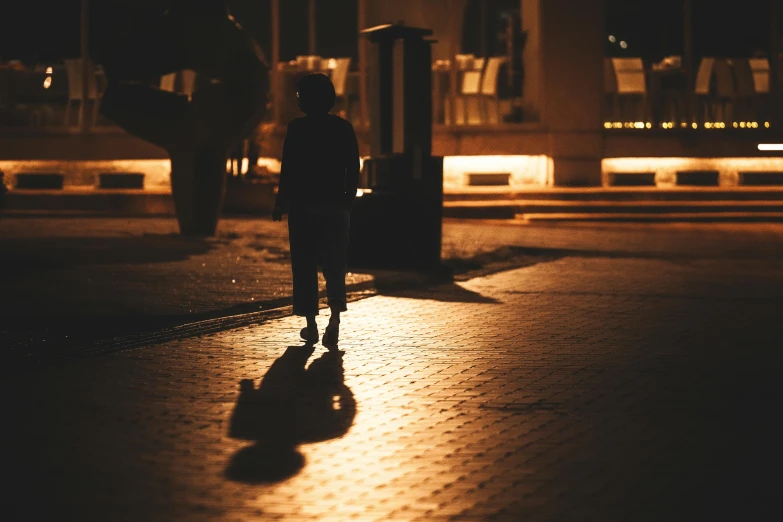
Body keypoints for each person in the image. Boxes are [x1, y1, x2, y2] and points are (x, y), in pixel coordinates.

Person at [272, 73, 360, 347]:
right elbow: (354, 167)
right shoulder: (344, 128)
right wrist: (348, 199)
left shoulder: (296, 129)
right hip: (335, 205)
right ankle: (334, 319)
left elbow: (288, 170)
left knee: (305, 264)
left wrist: (280, 202)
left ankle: (311, 325)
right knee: (335, 264)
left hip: (303, 206)